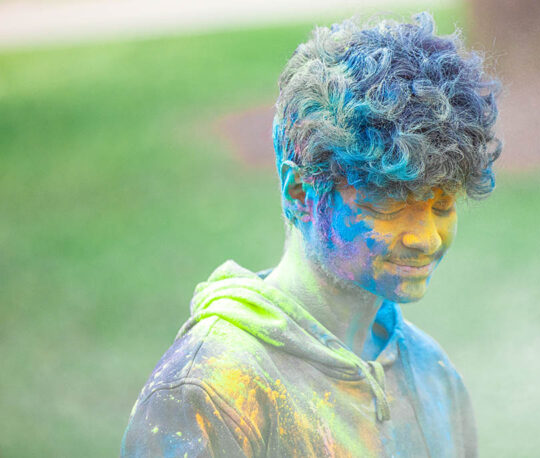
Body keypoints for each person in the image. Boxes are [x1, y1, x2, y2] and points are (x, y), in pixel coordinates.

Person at [121, 12, 500, 457]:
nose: (426, 239)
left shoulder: (430, 373)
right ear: (300, 190)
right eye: (388, 203)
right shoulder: (208, 392)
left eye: (443, 205)